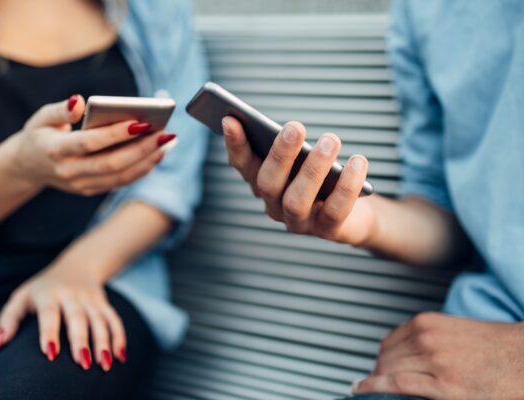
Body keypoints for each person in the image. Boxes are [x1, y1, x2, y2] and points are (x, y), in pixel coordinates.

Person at [221, 0, 524, 399]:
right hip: (470, 336)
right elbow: (449, 211)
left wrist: (514, 359)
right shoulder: (424, 10)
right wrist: (362, 220)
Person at [0, 0, 208, 399]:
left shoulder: (154, 11)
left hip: (99, 274)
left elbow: (171, 183)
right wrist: (21, 167)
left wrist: (78, 271)